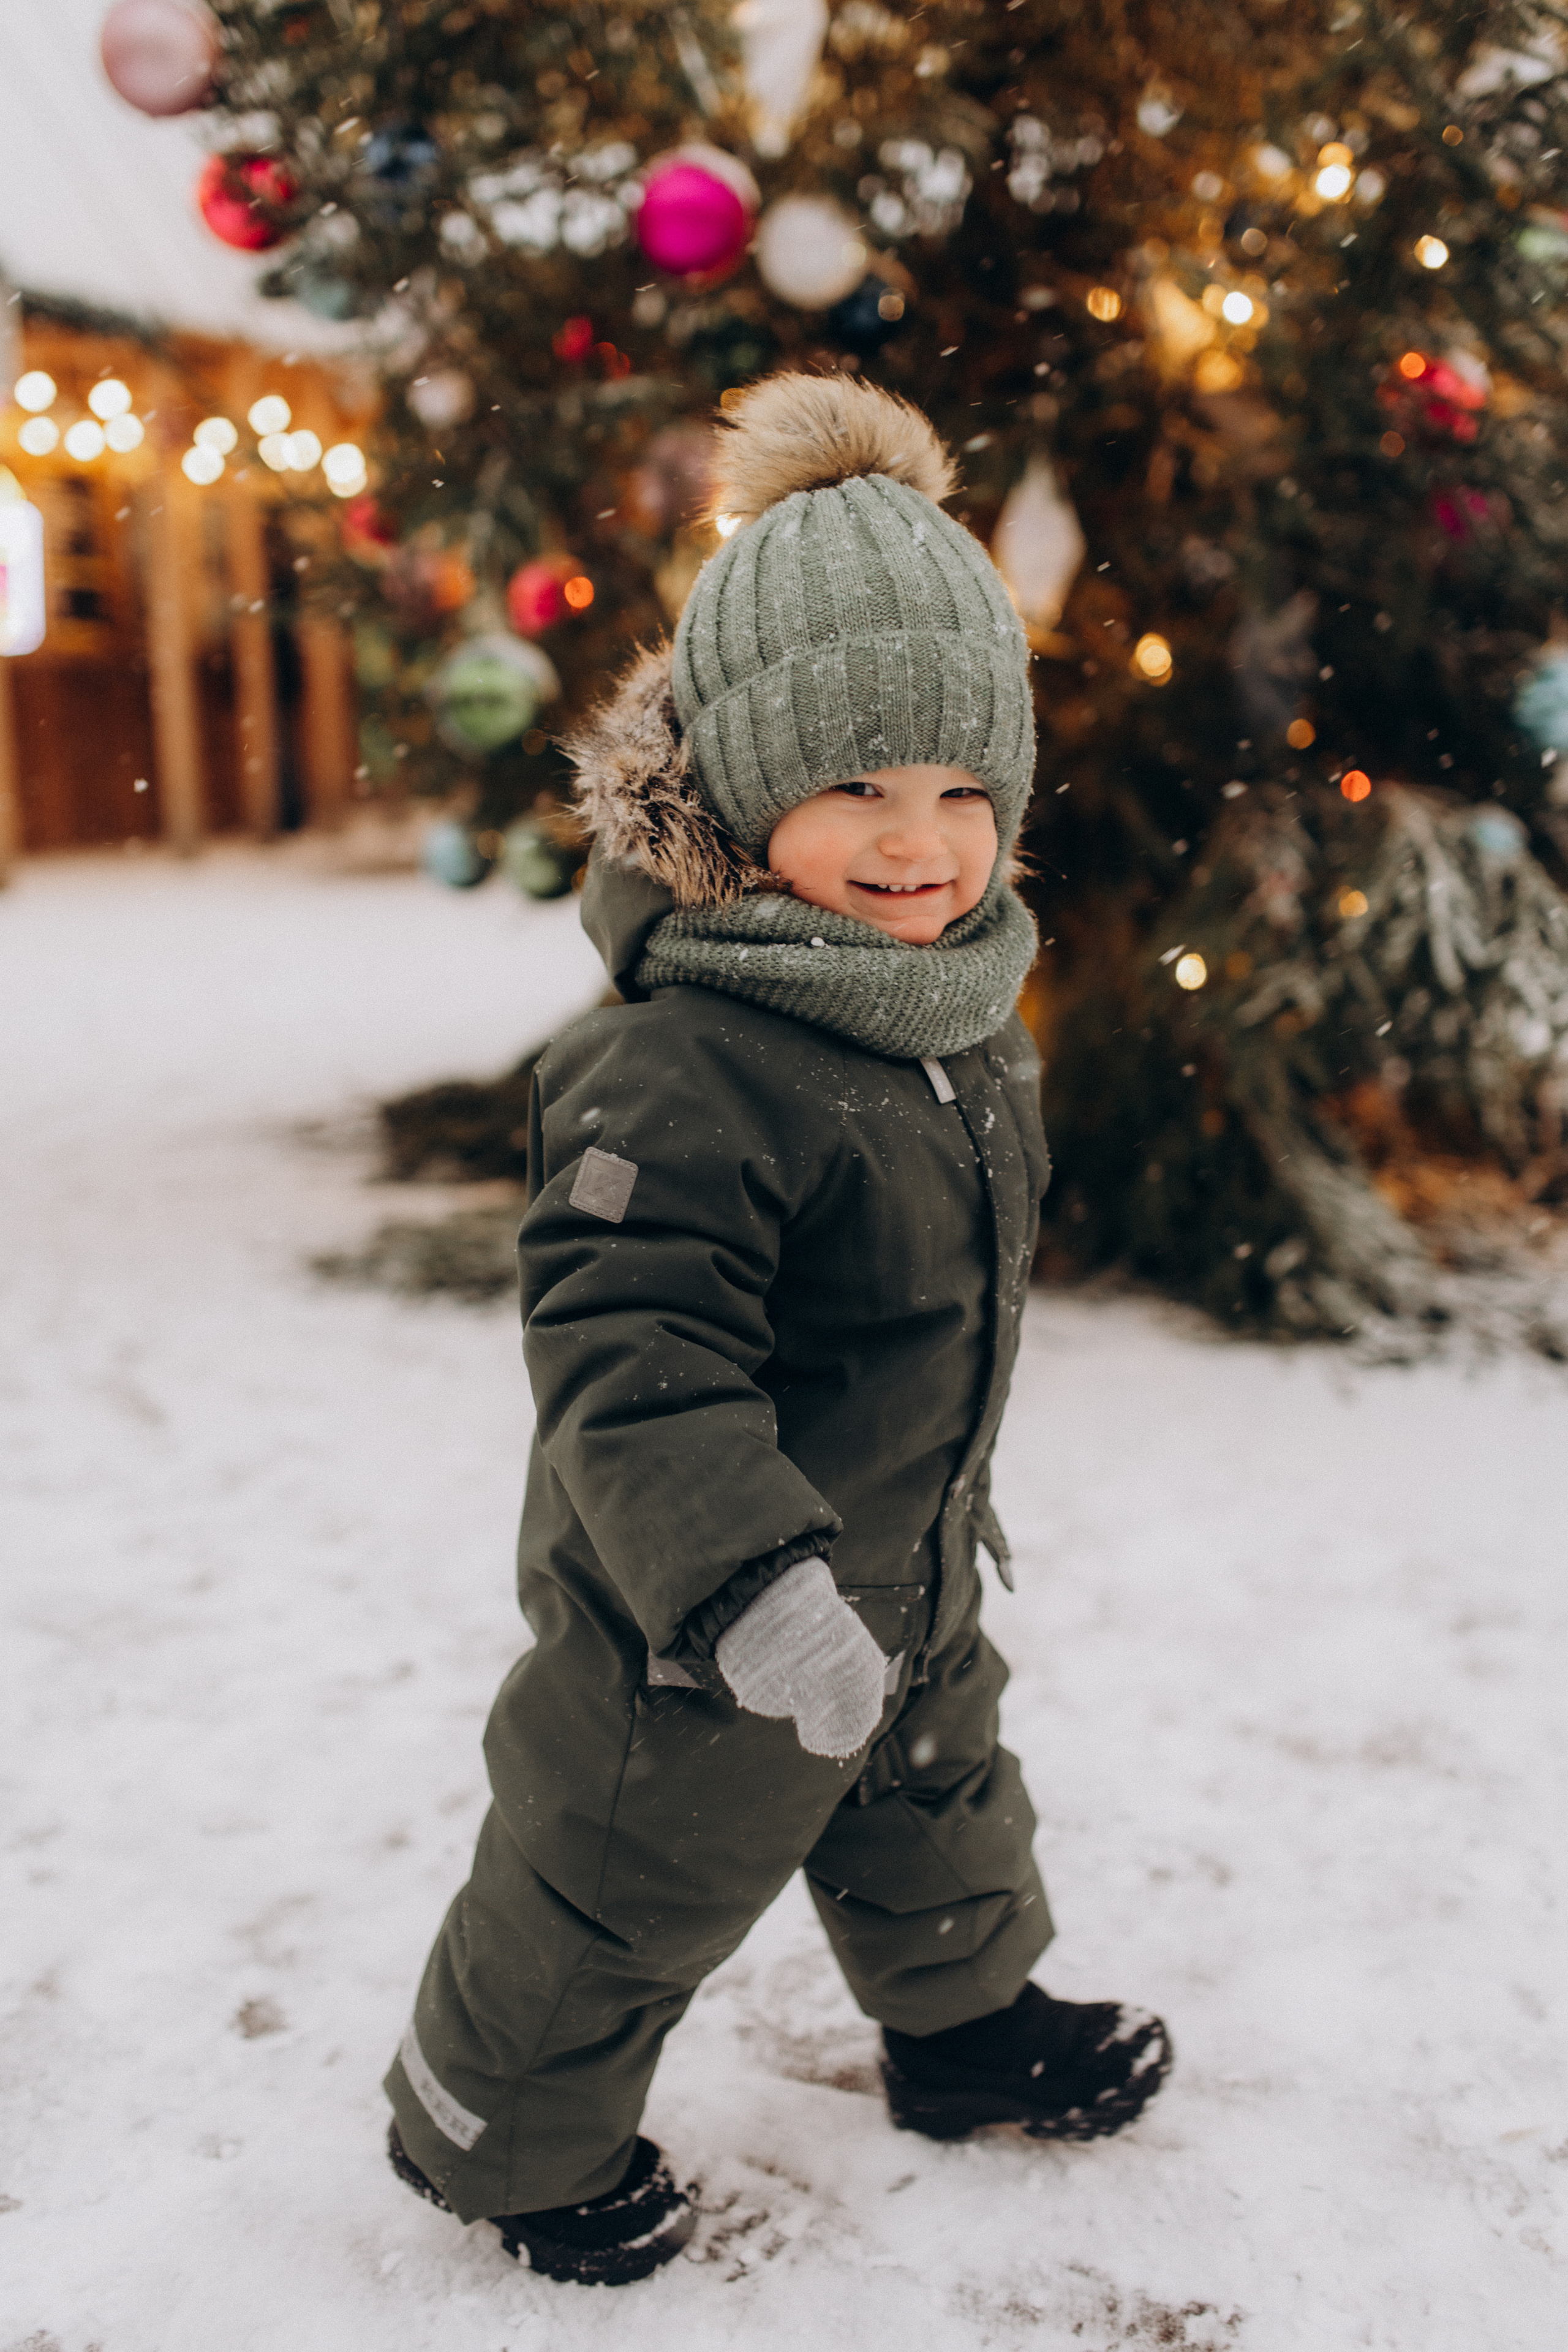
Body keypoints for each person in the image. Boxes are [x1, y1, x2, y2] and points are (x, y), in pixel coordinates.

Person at [384, 374, 1172, 2286]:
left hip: (905, 1551)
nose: (922, 846)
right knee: (615, 1865)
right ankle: (493, 2131)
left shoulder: (949, 1014)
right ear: (740, 792)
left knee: (936, 1793)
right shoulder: (677, 1064)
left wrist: (902, 1553)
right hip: (699, 1612)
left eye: (965, 792)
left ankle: (966, 2022)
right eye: (857, 788)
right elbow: (627, 1357)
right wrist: (743, 1589)